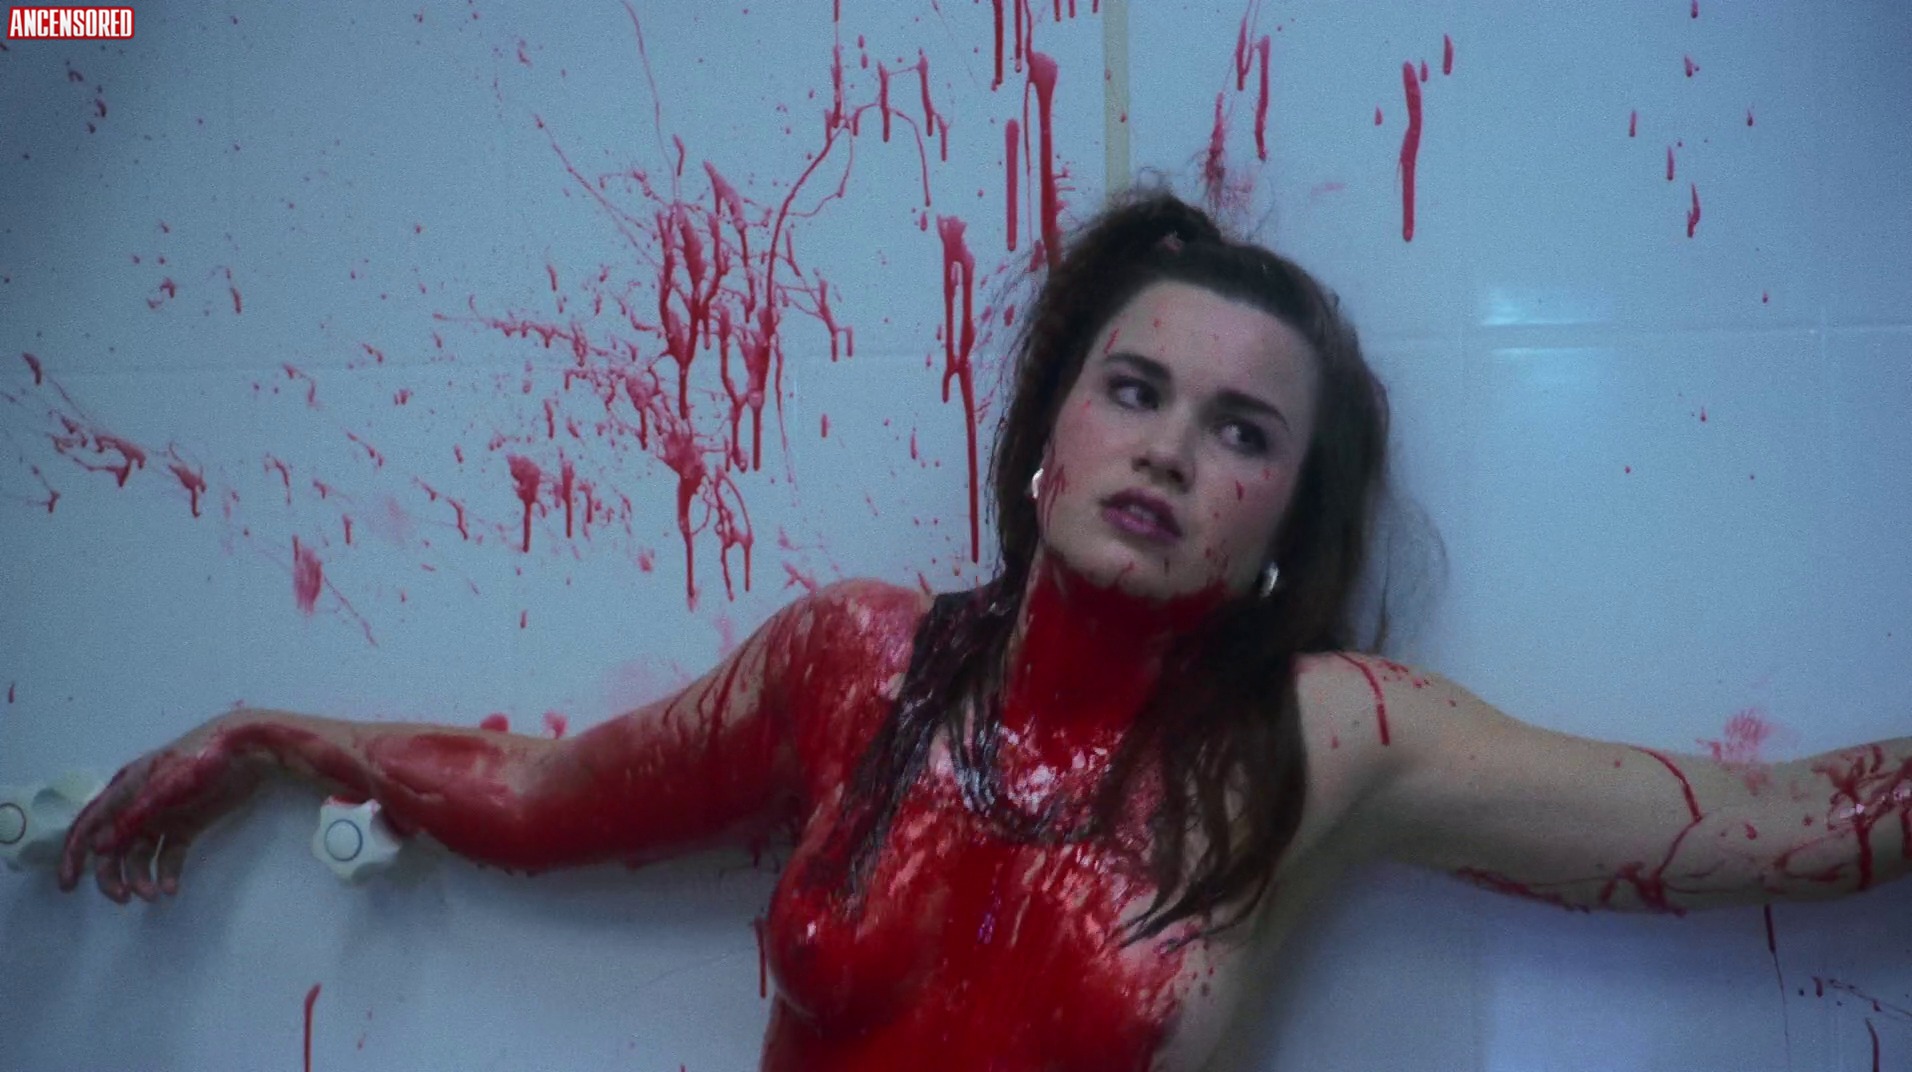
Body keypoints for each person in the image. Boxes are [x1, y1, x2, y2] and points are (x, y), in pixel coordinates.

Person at [57, 189, 1912, 1072]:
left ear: (1284, 525)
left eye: (1242, 434)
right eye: (1136, 391)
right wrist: (267, 735)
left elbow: (1784, 827)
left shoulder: (1327, 741)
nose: (1169, 449)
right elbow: (550, 799)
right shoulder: (853, 665)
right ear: (1048, 441)